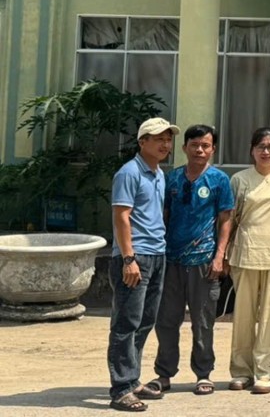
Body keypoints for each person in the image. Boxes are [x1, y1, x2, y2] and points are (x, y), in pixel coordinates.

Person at [148, 124, 234, 398]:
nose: (199, 150)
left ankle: (203, 373)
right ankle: (164, 374)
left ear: (213, 149)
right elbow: (163, 216)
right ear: (185, 147)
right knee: (166, 320)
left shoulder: (219, 180)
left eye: (205, 145)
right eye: (194, 145)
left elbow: (226, 220)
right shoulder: (171, 179)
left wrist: (220, 256)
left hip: (204, 262)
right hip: (171, 260)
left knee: (203, 321)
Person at [107, 117, 178, 413]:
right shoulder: (129, 172)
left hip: (157, 255)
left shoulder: (159, 174)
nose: (165, 144)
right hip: (135, 258)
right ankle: (121, 388)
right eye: (158, 138)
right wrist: (128, 259)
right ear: (142, 142)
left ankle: (132, 379)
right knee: (126, 323)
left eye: (168, 139)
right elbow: (121, 216)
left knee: (145, 321)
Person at [227, 127, 270, 395]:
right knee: (243, 316)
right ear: (252, 150)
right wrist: (223, 253)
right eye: (261, 146)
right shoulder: (239, 180)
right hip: (245, 252)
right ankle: (241, 371)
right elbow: (230, 218)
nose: (266, 151)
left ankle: (266, 372)